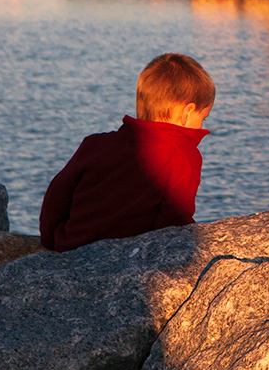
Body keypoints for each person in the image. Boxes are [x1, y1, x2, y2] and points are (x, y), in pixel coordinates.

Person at [39, 53, 216, 252]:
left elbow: (56, 196)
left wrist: (51, 242)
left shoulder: (95, 144)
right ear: (186, 113)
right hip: (126, 257)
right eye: (204, 117)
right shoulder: (184, 157)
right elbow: (174, 223)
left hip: (70, 247)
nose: (203, 125)